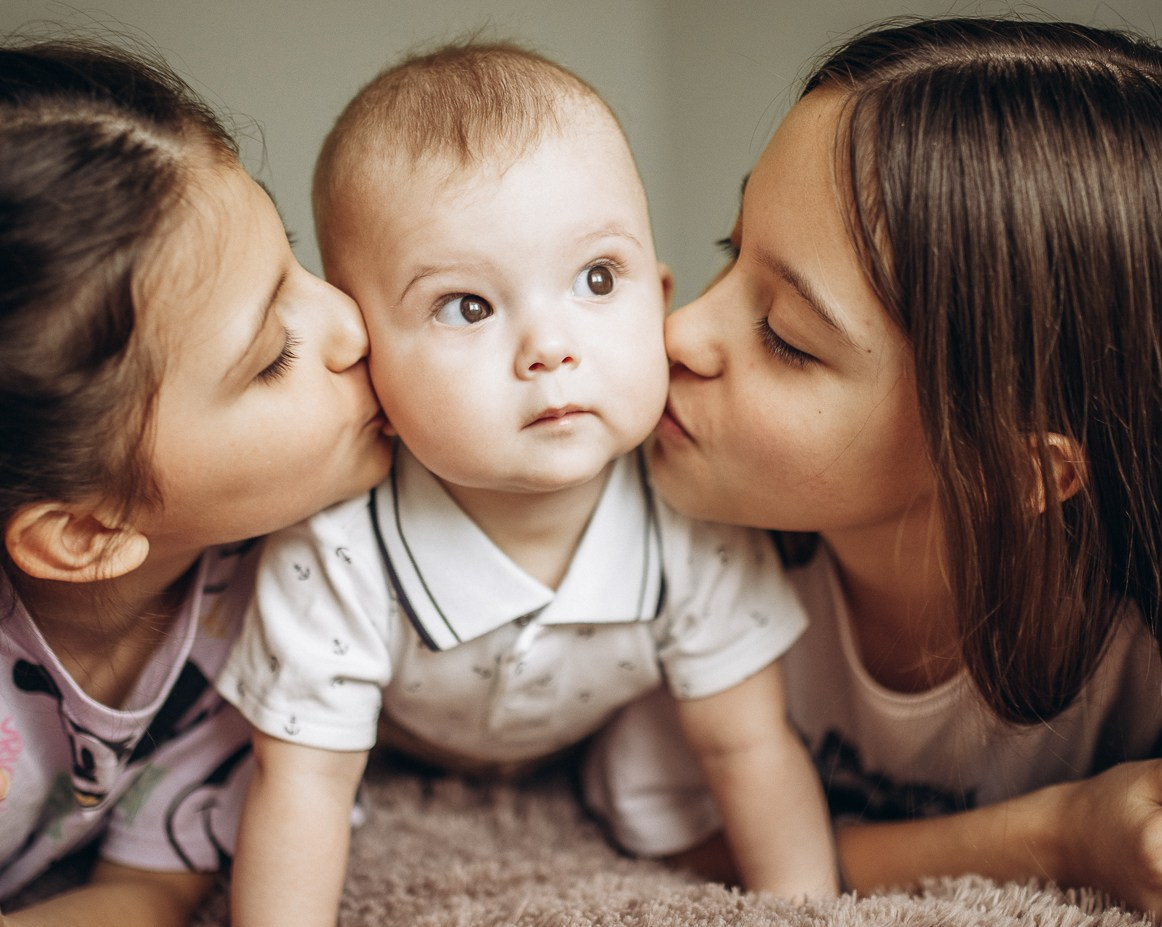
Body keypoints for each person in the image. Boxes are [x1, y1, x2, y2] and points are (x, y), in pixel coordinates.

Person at [581, 15, 1162, 925]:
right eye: (730, 249)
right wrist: (1060, 832)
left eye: (787, 338)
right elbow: (676, 835)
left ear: (1012, 470)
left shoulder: (1156, 655)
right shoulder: (672, 553)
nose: (677, 333)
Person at [215, 40, 837, 927]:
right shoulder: (340, 549)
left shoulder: (691, 516)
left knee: (661, 788)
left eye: (597, 278)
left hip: (590, 738)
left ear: (658, 298)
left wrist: (809, 911)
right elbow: (303, 780)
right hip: (400, 741)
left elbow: (748, 746)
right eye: (467, 305)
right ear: (368, 364)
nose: (551, 345)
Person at [0, 37, 393, 927]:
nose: (348, 321)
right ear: (87, 530)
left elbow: (144, 893)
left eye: (292, 258)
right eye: (273, 356)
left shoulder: (274, 603)